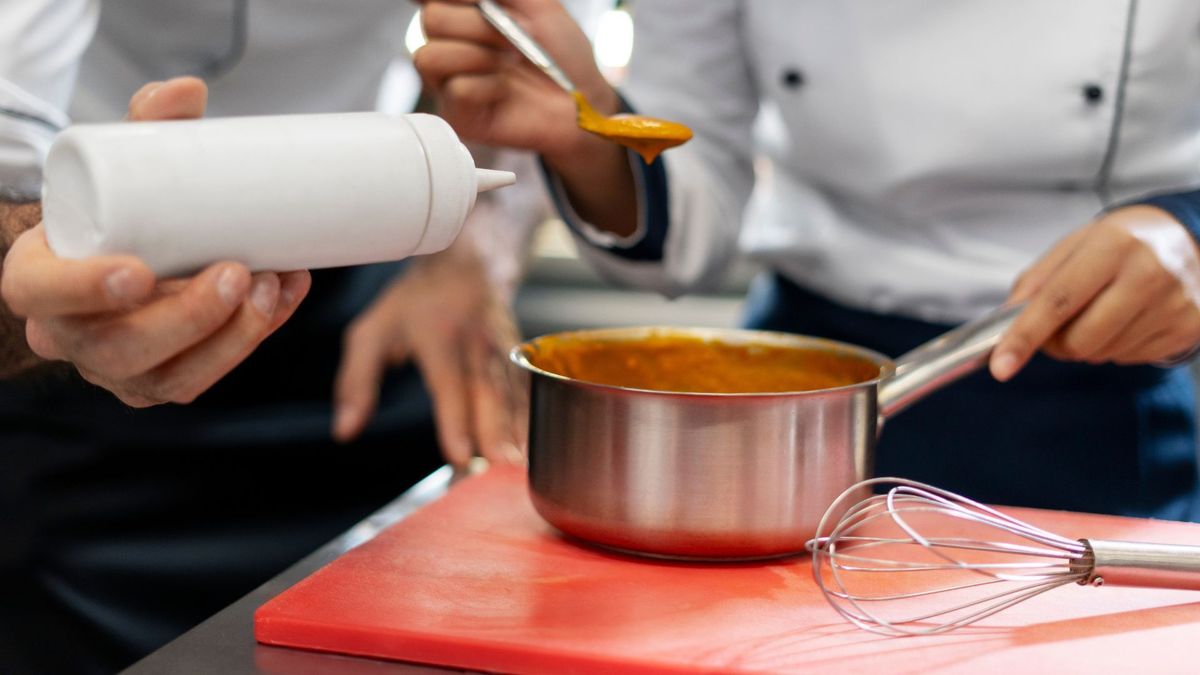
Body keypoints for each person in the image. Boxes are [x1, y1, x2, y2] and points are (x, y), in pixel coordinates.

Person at [415, 0, 1200, 521]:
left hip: (1097, 402)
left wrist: (1190, 231)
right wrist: (585, 122)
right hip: (798, 409)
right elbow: (693, 198)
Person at [0, 0, 605, 671]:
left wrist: (473, 242)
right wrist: (44, 277)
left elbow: (525, 50)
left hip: (351, 298)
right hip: (68, 282)